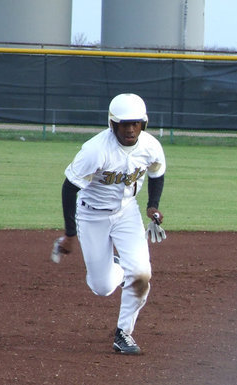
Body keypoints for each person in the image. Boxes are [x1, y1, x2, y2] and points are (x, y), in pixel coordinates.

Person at [52, 92, 167, 355]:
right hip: (92, 216)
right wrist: (70, 235)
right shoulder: (95, 150)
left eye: (135, 123)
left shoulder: (150, 146)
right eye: (123, 123)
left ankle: (123, 333)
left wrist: (153, 205)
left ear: (143, 124)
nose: (130, 129)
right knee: (102, 287)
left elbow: (157, 172)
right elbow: (69, 188)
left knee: (141, 275)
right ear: (112, 124)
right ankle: (114, 265)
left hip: (127, 213)